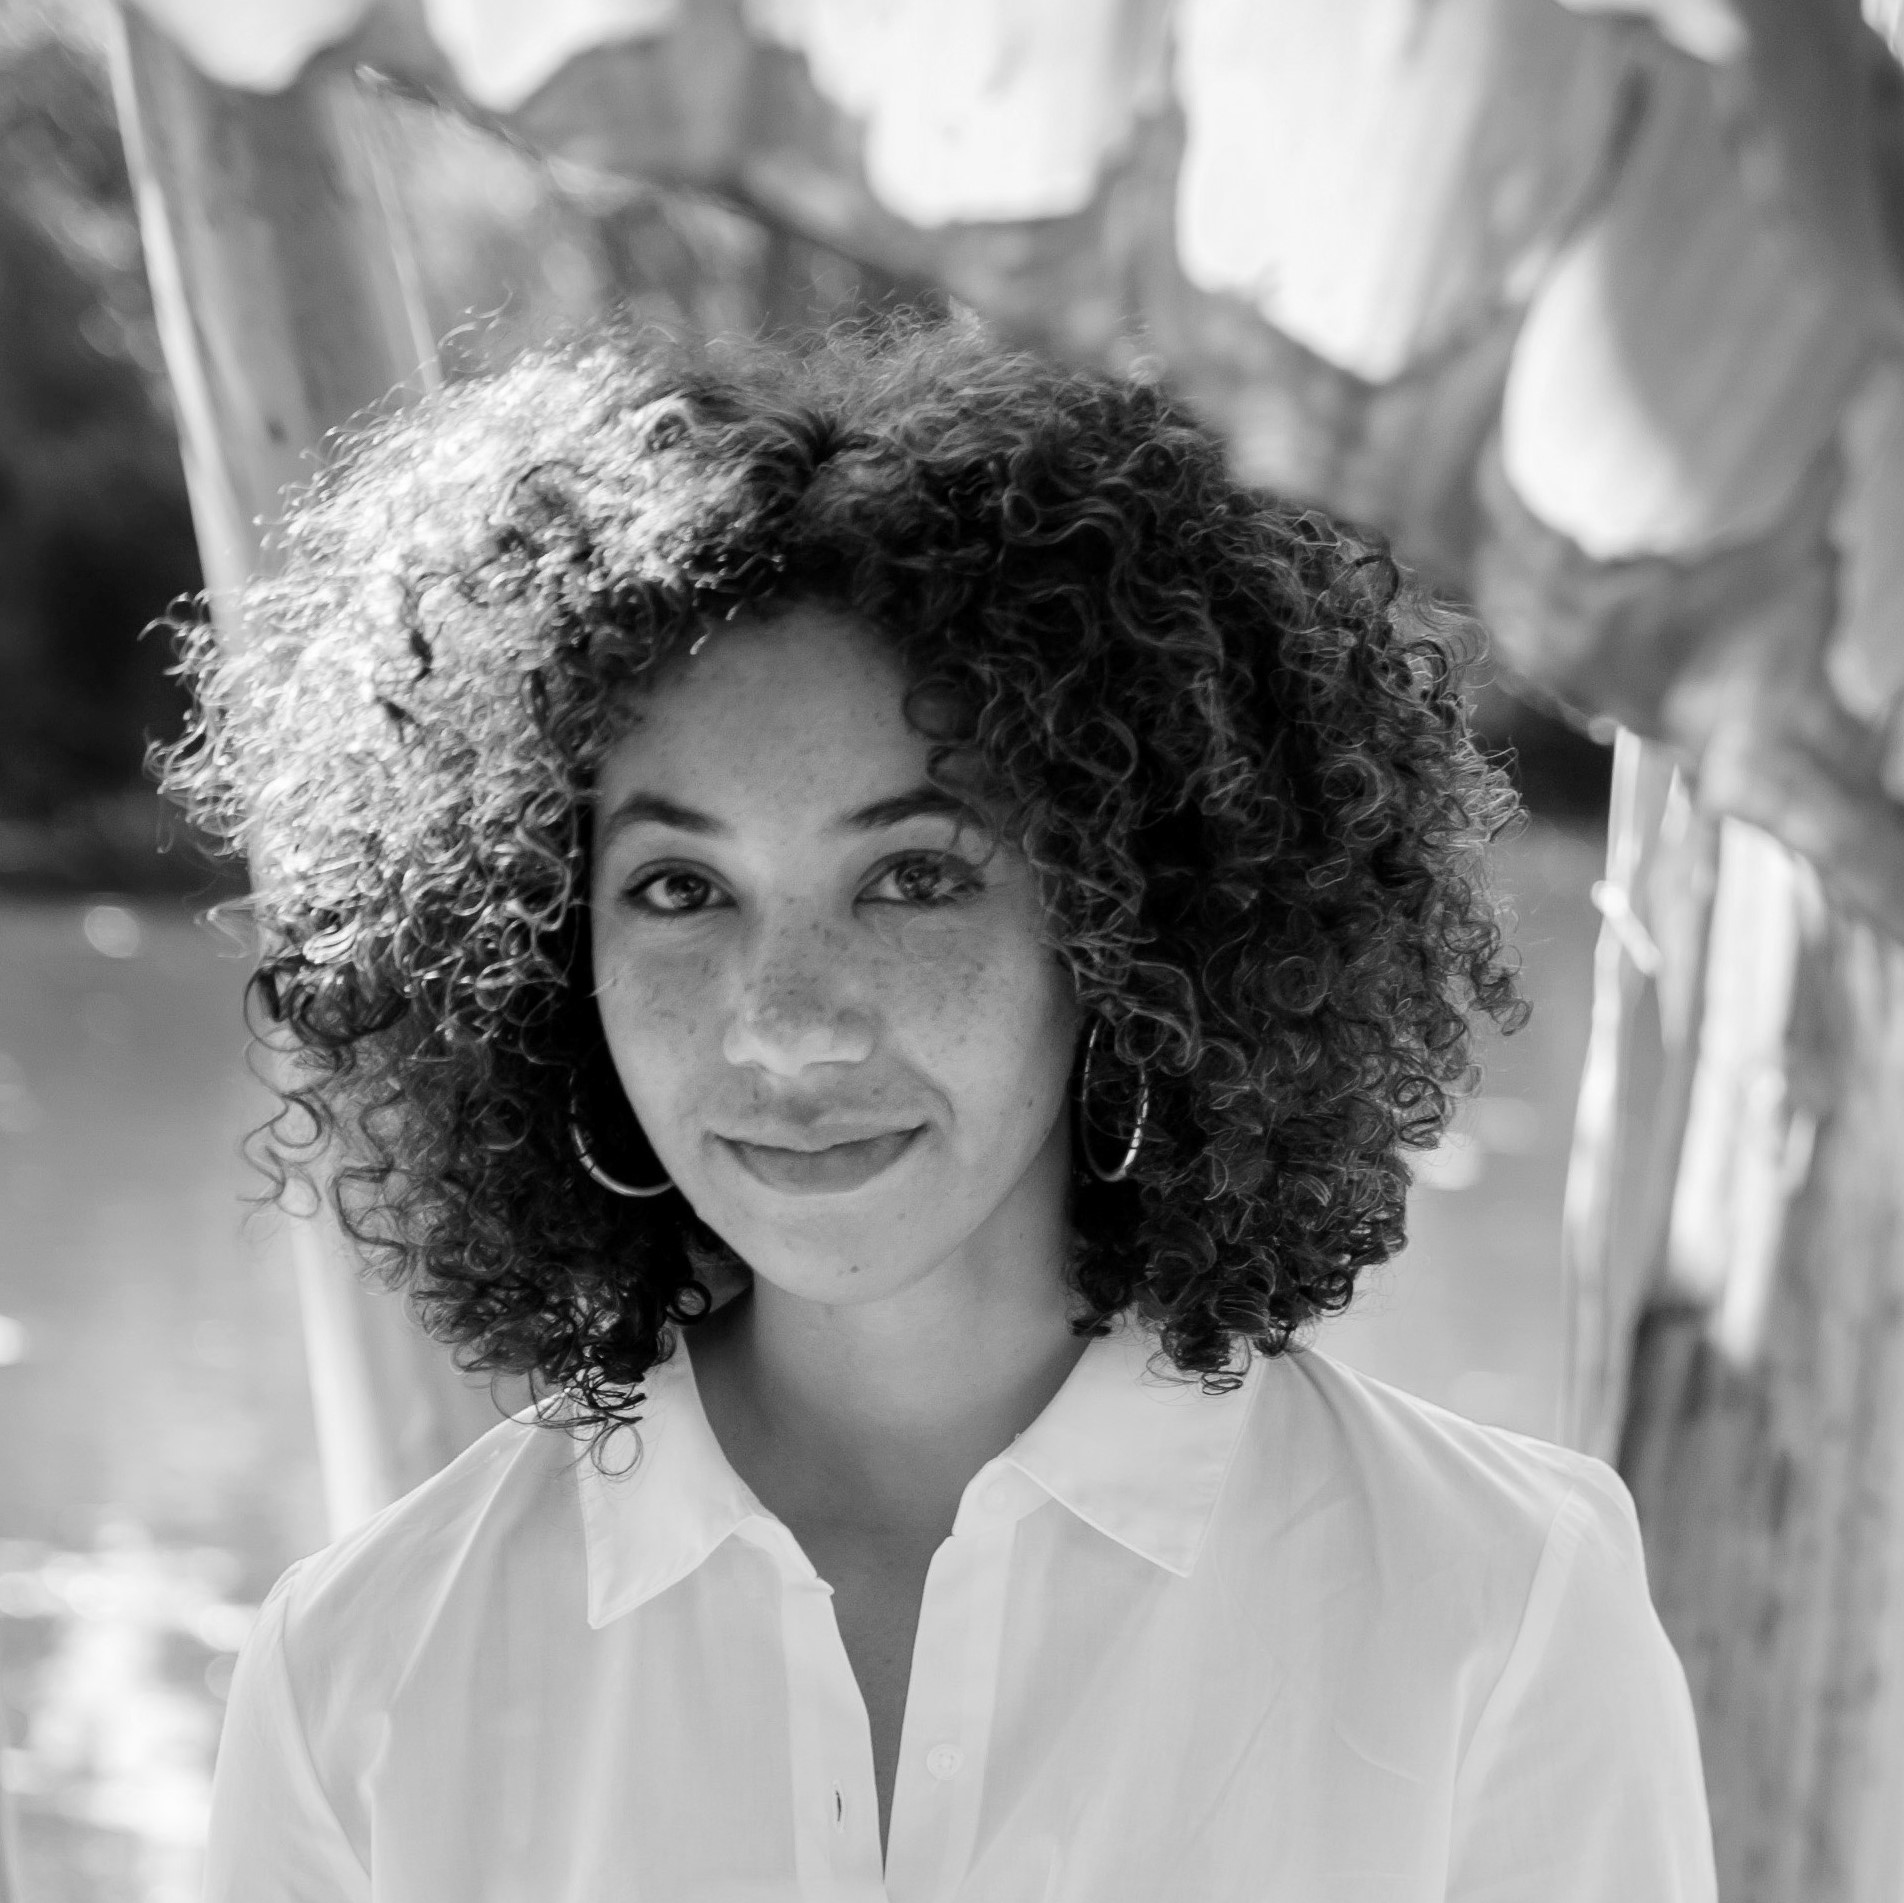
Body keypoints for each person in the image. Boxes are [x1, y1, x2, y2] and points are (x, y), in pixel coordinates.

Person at [169, 322, 1716, 1901]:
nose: (784, 1024)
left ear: (1128, 919)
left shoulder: (1503, 1610)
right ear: (546, 952)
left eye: (915, 876)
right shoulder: (359, 1684)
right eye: (680, 888)